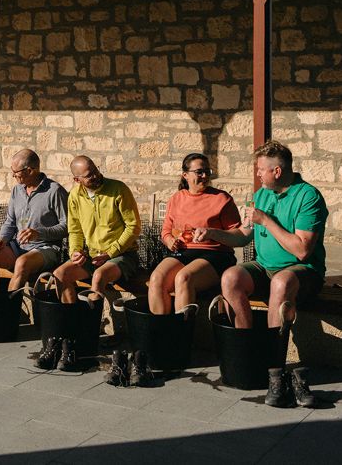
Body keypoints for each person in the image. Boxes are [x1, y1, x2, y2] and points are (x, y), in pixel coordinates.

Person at [198, 140, 327, 409]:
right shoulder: (262, 194)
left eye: (261, 170)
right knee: (231, 277)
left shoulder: (308, 197)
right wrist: (212, 233)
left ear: (277, 172)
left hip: (302, 272)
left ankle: (274, 371)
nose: (257, 175)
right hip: (264, 267)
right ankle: (248, 353)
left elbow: (302, 250)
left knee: (281, 282)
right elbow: (243, 237)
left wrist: (267, 220)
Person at [146, 153, 242, 316]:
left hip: (216, 254)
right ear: (185, 175)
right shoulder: (177, 198)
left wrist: (213, 233)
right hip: (184, 251)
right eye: (199, 172)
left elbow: (237, 233)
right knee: (156, 279)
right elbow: (166, 231)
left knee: (184, 278)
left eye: (207, 171)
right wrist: (169, 241)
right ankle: (161, 335)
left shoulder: (222, 199)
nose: (205, 176)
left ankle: (182, 336)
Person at [0, 149, 68, 294]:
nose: (13, 175)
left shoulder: (54, 191)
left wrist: (38, 233)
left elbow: (67, 226)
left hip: (46, 248)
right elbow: (10, 222)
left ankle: (9, 311)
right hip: (18, 247)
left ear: (31, 170)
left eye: (16, 172)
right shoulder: (17, 190)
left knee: (22, 263)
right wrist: (2, 239)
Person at [53, 156, 141, 304]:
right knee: (60, 274)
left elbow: (133, 226)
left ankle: (90, 323)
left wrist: (111, 252)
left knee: (98, 276)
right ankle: (69, 321)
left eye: (95, 170)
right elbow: (75, 230)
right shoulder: (74, 196)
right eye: (89, 175)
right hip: (92, 255)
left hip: (122, 255)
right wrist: (75, 252)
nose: (95, 176)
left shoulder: (119, 189)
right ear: (77, 180)